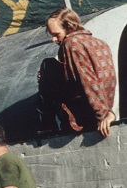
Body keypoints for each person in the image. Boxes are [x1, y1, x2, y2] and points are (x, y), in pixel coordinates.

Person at [45, 8, 116, 137]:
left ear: (69, 27)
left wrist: (101, 115)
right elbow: (109, 78)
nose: (53, 39)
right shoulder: (100, 43)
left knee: (47, 67)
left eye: (56, 34)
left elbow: (87, 81)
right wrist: (109, 112)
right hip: (106, 107)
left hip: (90, 115)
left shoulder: (70, 44)